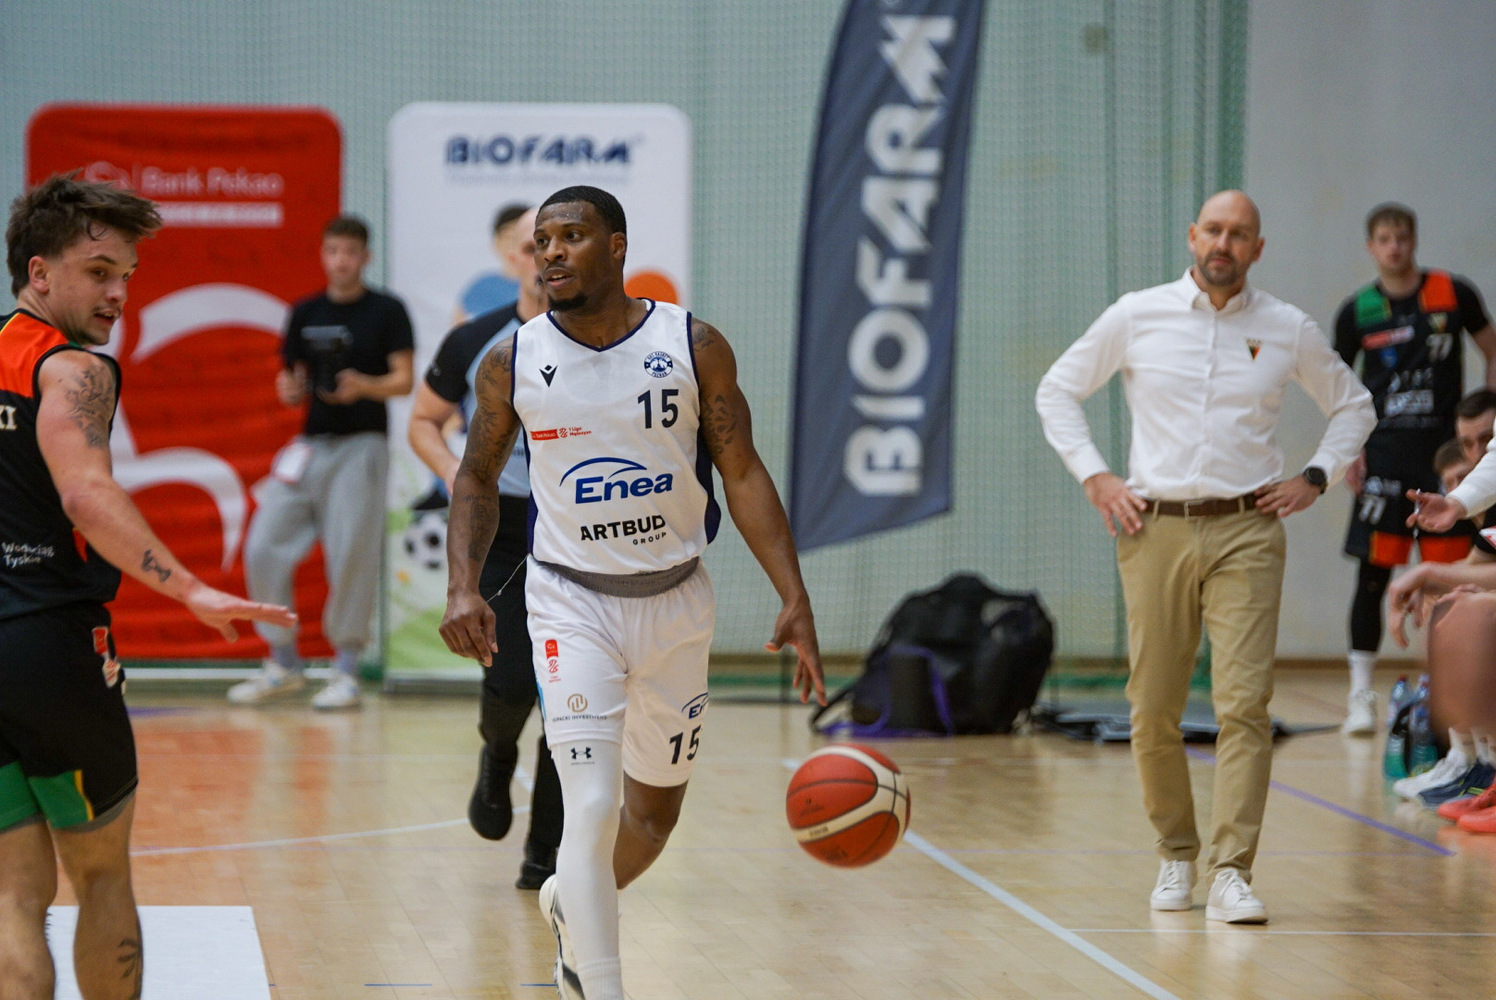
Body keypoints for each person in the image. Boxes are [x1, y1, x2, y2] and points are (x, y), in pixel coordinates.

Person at [440, 185, 824, 1000]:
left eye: (571, 236)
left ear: (616, 245)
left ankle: (568, 902)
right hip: (569, 601)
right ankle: (598, 982)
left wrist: (793, 593)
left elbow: (742, 471)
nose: (551, 252)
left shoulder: (693, 345)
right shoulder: (512, 360)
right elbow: (475, 477)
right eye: (543, 240)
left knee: (650, 822)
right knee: (589, 805)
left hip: (677, 602)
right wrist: (462, 586)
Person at [1036, 190, 1375, 925]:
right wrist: (1096, 476)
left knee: (1244, 705)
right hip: (1152, 528)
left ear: (1258, 248)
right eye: (1214, 230)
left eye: (1239, 234)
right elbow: (1057, 390)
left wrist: (1316, 476)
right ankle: (1176, 853)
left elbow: (1355, 405)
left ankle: (1231, 872)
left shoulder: (1286, 327)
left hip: (1249, 529)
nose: (1224, 243)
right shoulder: (1137, 314)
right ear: (1193, 237)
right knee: (1152, 706)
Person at [0, 173, 296, 999]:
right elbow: (86, 494)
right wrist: (191, 589)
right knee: (100, 876)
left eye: (127, 275)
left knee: (13, 895)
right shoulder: (73, 370)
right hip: (51, 645)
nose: (119, 294)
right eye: (99, 272)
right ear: (39, 272)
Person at [408, 206, 562, 889]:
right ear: (509, 258)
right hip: (502, 524)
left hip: (581, 533)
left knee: (572, 698)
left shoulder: (606, 343)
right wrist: (458, 475)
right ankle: (498, 754)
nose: (546, 258)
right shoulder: (477, 340)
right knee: (512, 678)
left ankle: (545, 855)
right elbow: (423, 420)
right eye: (533, 246)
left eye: (559, 244)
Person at [228, 215, 414, 710]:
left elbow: (404, 380)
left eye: (350, 252)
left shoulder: (386, 310)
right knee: (263, 545)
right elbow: (290, 381)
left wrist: (363, 385)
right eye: (333, 251)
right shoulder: (305, 311)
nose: (341, 261)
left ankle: (346, 669)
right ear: (323, 255)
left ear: (365, 257)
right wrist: (289, 390)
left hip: (362, 445)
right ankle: (283, 662)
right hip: (309, 446)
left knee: (351, 553)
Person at [1333, 203, 1496, 735]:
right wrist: (1349, 448)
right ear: (1371, 246)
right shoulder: (1358, 311)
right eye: (1384, 238)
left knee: (1454, 580)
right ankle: (1360, 697)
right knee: (1373, 576)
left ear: (1414, 240)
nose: (1394, 247)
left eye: (1402, 237)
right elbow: (1337, 387)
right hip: (1384, 457)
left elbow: (1492, 349)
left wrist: (1486, 425)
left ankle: (1447, 702)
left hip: (1444, 461)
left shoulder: (1453, 292)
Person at [453, 203, 532, 325]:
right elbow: (459, 325)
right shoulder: (482, 287)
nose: (512, 244)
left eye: (519, 237)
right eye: (508, 237)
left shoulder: (545, 286)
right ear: (496, 241)